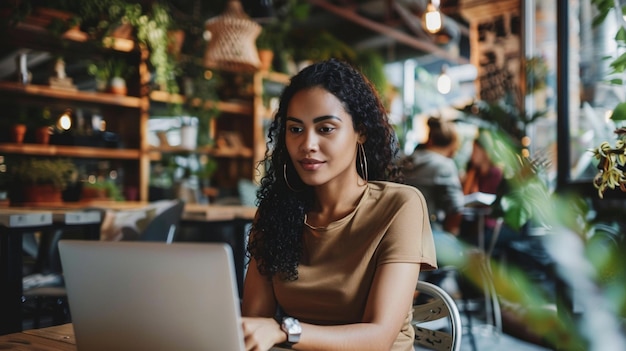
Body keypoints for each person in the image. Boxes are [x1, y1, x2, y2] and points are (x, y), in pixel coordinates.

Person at [241, 59, 437, 351]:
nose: (307, 143)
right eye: (295, 129)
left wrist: (285, 332)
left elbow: (378, 337)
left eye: (326, 128)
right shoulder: (275, 213)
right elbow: (255, 322)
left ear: (361, 132)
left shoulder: (400, 206)